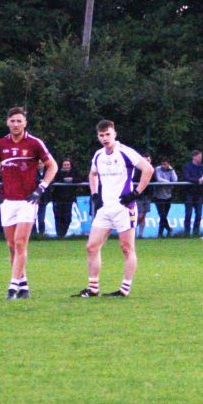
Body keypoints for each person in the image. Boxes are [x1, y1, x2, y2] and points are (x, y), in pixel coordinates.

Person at [74, 120, 153, 297]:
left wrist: (135, 193)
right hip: (105, 209)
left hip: (124, 208)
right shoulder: (98, 155)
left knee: (126, 248)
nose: (104, 138)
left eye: (107, 134)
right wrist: (95, 195)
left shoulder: (125, 152)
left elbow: (148, 169)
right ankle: (93, 288)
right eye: (101, 135)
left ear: (114, 134)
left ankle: (124, 289)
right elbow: (92, 174)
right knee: (92, 246)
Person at [0, 107, 58, 299]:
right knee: (12, 245)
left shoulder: (35, 143)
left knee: (21, 243)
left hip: (27, 201)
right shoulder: (1, 144)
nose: (15, 124)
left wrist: (41, 188)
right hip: (7, 201)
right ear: (7, 122)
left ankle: (13, 287)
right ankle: (24, 285)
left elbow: (52, 166)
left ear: (25, 123)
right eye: (12, 121)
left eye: (19, 121)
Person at [180, 150, 203, 236]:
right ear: (194, 157)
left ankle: (196, 232)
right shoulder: (187, 166)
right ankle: (186, 233)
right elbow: (186, 177)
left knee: (199, 214)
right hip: (189, 193)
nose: (201, 158)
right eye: (199, 157)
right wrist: (197, 180)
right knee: (188, 214)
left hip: (199, 194)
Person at [49, 158, 80, 239]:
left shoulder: (74, 172)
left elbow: (80, 179)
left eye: (68, 165)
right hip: (58, 199)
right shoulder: (57, 172)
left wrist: (72, 180)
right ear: (62, 165)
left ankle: (63, 233)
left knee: (67, 217)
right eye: (65, 165)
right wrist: (63, 180)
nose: (66, 166)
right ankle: (59, 234)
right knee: (58, 217)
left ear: (70, 165)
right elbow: (53, 180)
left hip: (69, 199)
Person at [153, 157, 177, 236]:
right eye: (162, 164)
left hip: (168, 196)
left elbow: (175, 180)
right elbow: (159, 179)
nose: (163, 166)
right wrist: (168, 182)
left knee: (164, 216)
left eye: (165, 164)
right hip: (158, 196)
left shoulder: (171, 170)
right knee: (162, 215)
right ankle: (168, 230)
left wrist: (172, 169)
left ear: (168, 164)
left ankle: (160, 234)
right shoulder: (157, 169)